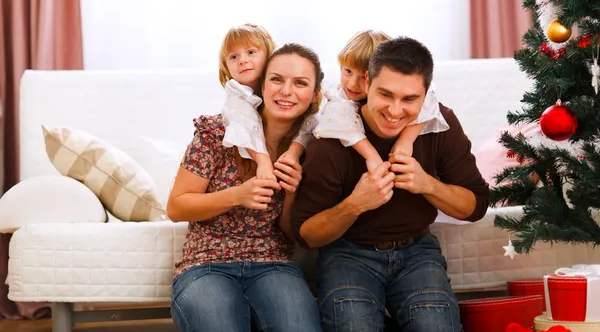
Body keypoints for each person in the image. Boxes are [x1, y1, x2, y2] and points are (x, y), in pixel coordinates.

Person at [292, 36, 490, 332]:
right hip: (348, 253)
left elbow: (476, 206)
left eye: (410, 99)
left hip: (417, 252)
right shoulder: (332, 135)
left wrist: (428, 185)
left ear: (426, 96)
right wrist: (355, 204)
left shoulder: (440, 124)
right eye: (385, 94)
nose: (395, 111)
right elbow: (306, 234)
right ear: (367, 82)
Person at [167, 42, 325, 332]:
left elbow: (290, 234)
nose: (286, 92)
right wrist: (237, 195)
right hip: (206, 264)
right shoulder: (217, 133)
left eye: (300, 83)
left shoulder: (312, 148)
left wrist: (291, 194)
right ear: (262, 85)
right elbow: (176, 207)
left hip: (273, 263)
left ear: (314, 96)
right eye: (276, 79)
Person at [313, 30, 449, 172]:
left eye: (361, 77)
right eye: (348, 71)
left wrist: (406, 140)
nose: (352, 84)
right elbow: (342, 124)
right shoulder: (338, 99)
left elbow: (427, 101)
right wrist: (371, 156)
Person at [218, 23, 317, 181]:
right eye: (233, 57)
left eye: (251, 52)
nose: (242, 61)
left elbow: (311, 119)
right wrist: (263, 161)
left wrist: (294, 151)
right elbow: (243, 124)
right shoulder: (236, 94)